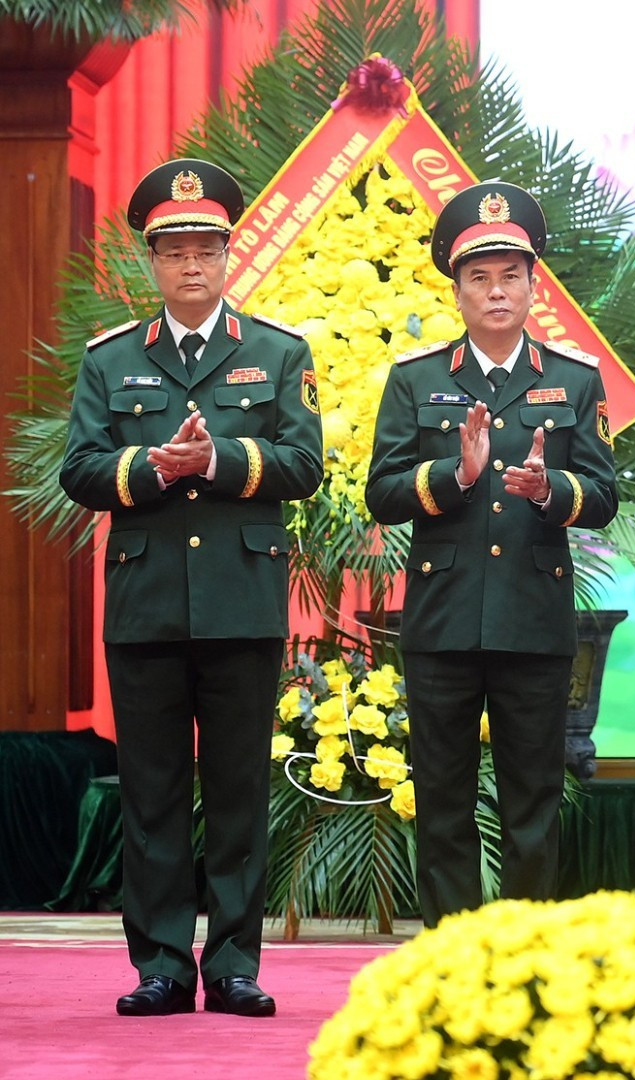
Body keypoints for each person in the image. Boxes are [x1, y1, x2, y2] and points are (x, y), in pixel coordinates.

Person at [60, 158, 323, 1017]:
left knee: (241, 786)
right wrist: (153, 467)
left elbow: (304, 466)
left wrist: (220, 459)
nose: (192, 265)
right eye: (174, 251)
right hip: (146, 607)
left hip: (242, 601)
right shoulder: (111, 361)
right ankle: (163, 964)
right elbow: (81, 470)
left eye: (206, 247)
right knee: (154, 788)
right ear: (153, 262)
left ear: (228, 254)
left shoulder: (279, 353)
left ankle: (236, 962)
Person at [365, 181, 618, 927]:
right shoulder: (417, 379)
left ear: (535, 285)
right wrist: (457, 476)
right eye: (480, 277)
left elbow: (602, 494)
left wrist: (548, 489)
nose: (497, 291)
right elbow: (383, 491)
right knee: (441, 800)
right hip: (443, 622)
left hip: (534, 619)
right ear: (457, 288)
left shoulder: (574, 379)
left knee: (532, 800)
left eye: (511, 275)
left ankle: (528, 958)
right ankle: (450, 955)